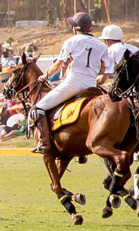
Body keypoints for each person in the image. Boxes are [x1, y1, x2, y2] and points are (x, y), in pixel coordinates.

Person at [32, 13, 109, 155]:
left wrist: (45, 76)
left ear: (75, 28)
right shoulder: (102, 46)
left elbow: (57, 65)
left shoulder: (71, 41)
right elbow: (104, 74)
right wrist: (92, 78)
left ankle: (45, 144)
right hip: (91, 85)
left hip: (73, 83)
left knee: (38, 109)